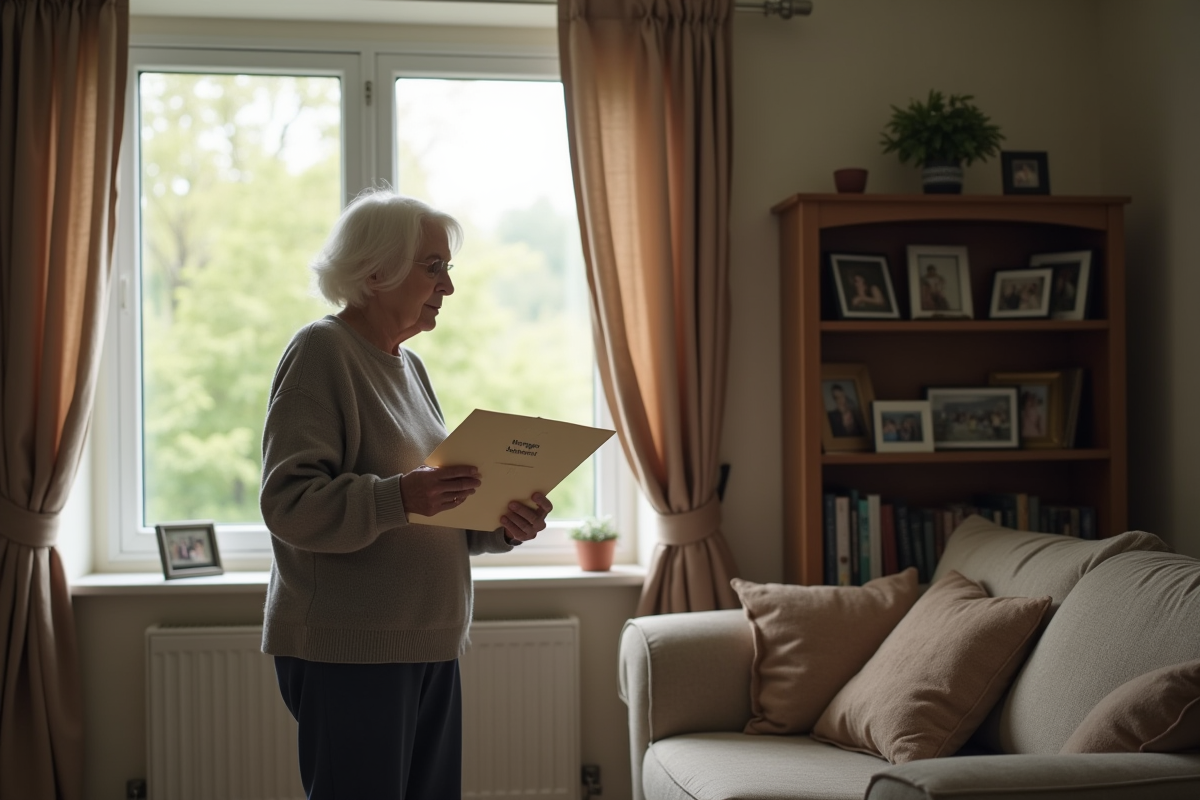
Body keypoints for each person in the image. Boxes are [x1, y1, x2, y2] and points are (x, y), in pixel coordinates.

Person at [259, 189, 552, 799]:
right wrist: (401, 497)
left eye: (448, 267)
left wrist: (500, 525)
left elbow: (427, 506)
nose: (448, 286)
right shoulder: (322, 351)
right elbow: (289, 504)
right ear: (375, 272)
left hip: (430, 639)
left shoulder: (410, 368)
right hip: (352, 650)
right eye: (433, 266)